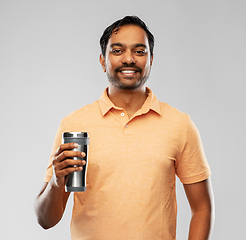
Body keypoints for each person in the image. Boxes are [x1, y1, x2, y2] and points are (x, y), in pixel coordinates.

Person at [34, 16, 214, 240]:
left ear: (151, 59)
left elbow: (202, 208)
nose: (129, 59)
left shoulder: (179, 125)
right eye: (117, 50)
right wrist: (56, 182)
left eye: (139, 51)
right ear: (102, 60)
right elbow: (45, 220)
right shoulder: (74, 125)